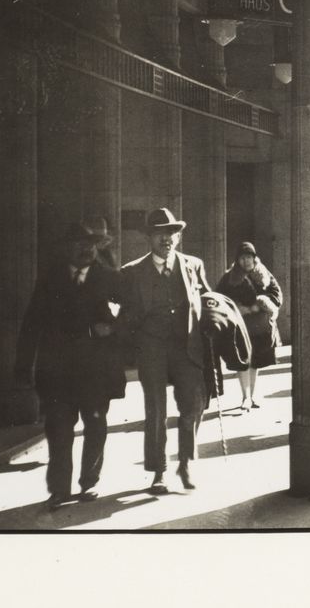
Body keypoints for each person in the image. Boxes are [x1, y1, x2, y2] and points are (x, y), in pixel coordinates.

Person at [14, 219, 126, 510]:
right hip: (58, 371)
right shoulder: (50, 280)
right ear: (67, 250)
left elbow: (131, 312)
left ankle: (89, 482)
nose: (86, 250)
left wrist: (113, 329)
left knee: (96, 425)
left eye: (90, 245)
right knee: (59, 429)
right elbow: (31, 324)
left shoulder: (109, 278)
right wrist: (24, 366)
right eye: (79, 245)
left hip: (96, 371)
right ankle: (59, 490)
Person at [118, 207, 211, 494]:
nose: (166, 239)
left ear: (178, 237)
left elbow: (207, 297)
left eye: (172, 233)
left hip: (186, 348)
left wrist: (216, 317)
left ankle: (185, 463)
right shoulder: (132, 272)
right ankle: (158, 471)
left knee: (192, 406)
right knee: (156, 410)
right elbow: (124, 312)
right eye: (160, 234)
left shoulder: (193, 265)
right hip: (152, 350)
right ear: (150, 238)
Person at [215, 241, 283, 412]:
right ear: (237, 260)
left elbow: (276, 294)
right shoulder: (229, 277)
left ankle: (251, 396)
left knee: (256, 361)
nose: (246, 261)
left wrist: (260, 305)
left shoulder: (264, 275)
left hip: (259, 326)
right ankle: (245, 397)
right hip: (240, 325)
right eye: (242, 258)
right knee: (243, 360)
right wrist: (237, 308)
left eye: (249, 257)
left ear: (254, 258)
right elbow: (219, 297)